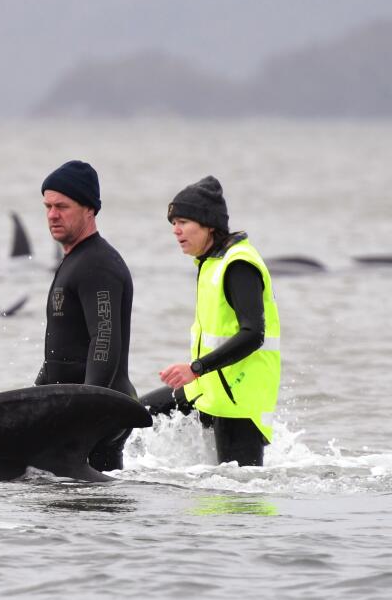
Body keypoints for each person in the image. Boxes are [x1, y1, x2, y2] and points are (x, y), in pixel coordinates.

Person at [143, 176, 281, 466]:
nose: (175, 230)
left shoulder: (238, 264)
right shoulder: (210, 262)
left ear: (208, 225)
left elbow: (253, 334)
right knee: (133, 416)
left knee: (235, 498)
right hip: (207, 389)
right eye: (172, 223)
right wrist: (197, 373)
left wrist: (196, 368)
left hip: (239, 402)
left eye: (183, 222)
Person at [35, 160, 136, 471]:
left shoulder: (98, 266)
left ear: (89, 209)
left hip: (98, 414)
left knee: (93, 512)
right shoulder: (75, 260)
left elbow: (103, 338)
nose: (52, 214)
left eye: (62, 206)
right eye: (48, 206)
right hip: (79, 410)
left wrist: (88, 410)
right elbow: (64, 346)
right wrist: (36, 397)